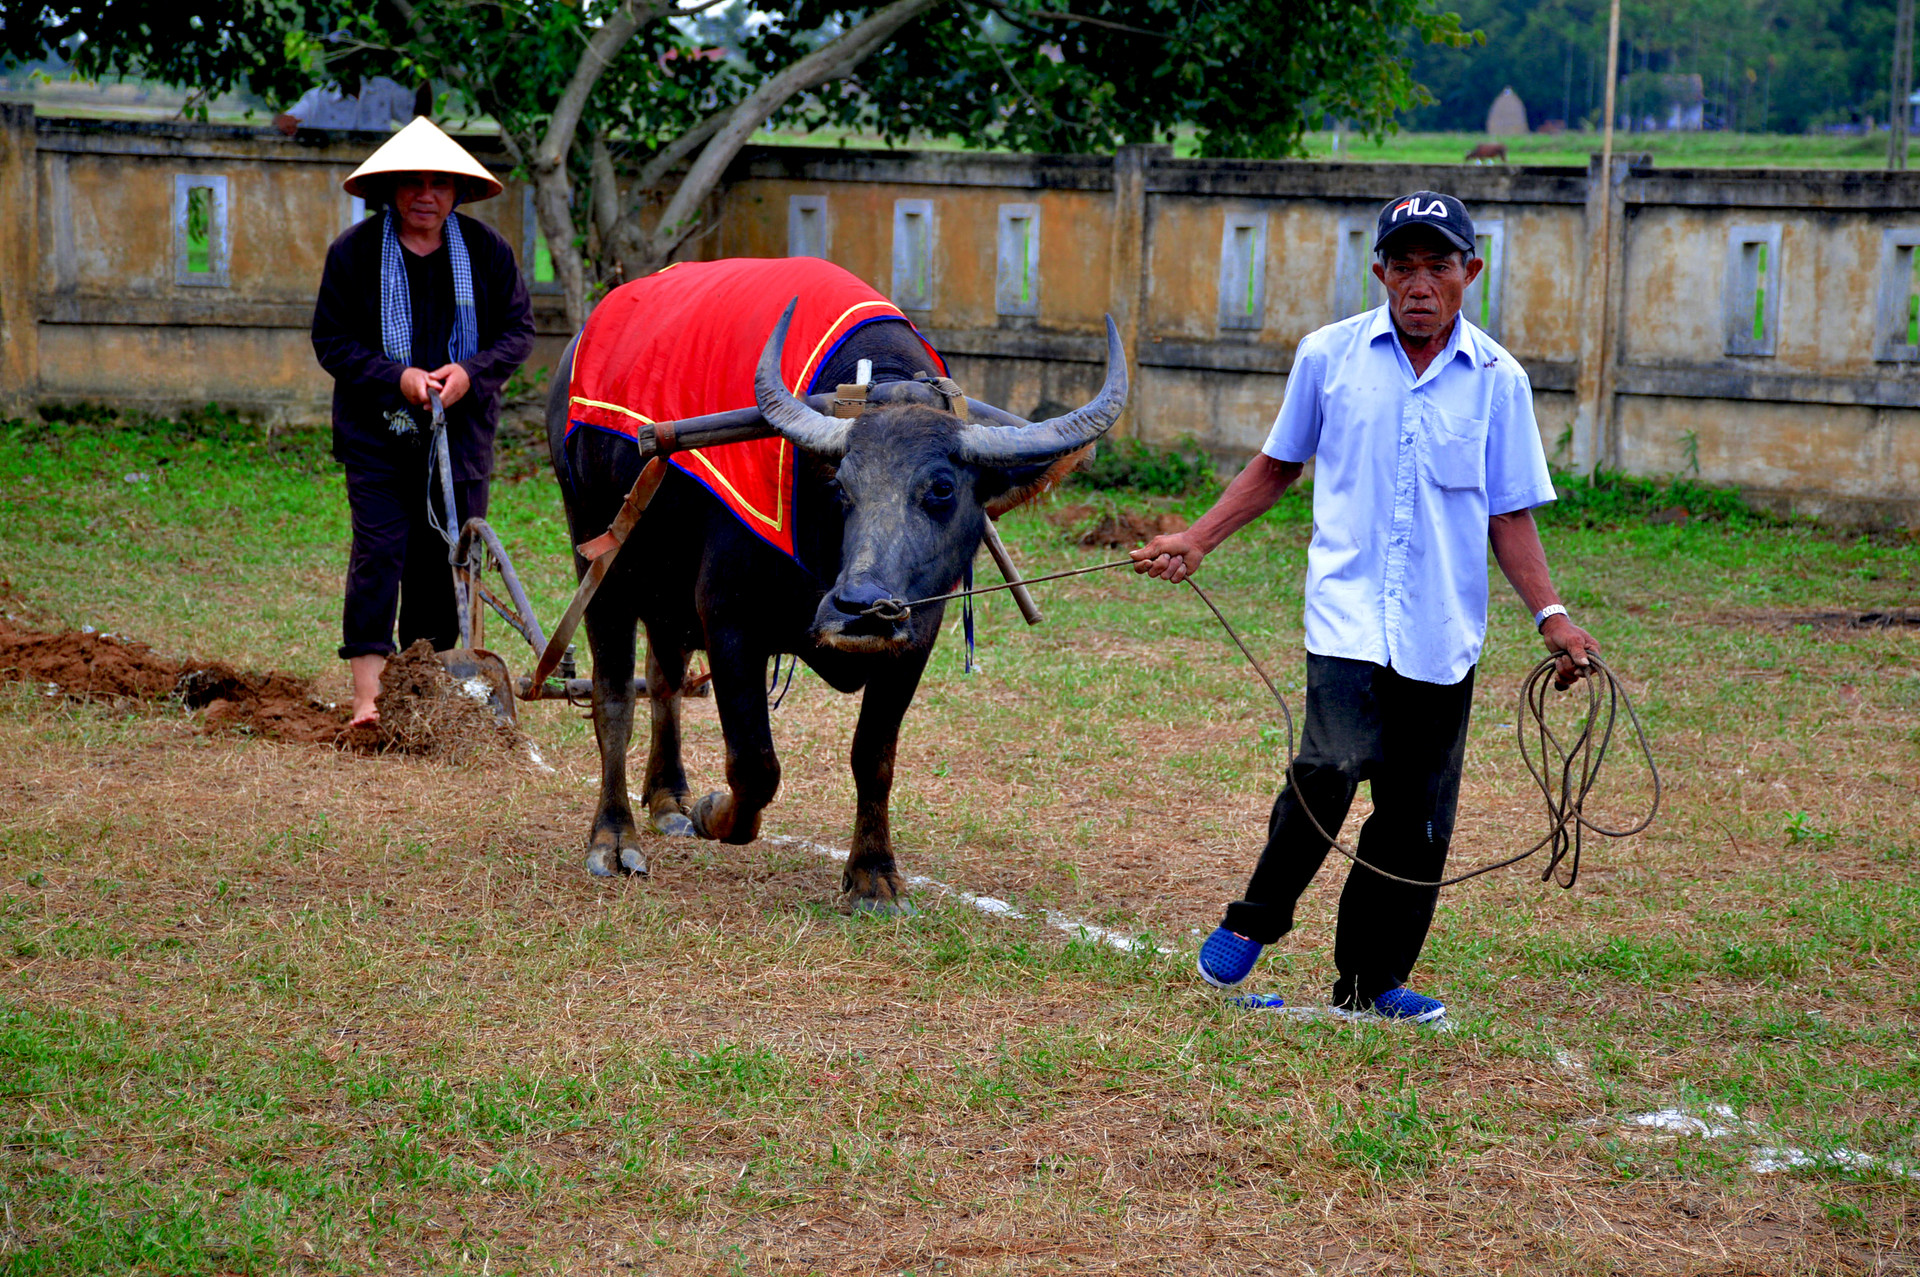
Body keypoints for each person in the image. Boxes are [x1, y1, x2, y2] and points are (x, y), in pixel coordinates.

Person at [1131, 190, 1600, 1025]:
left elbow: (1509, 513)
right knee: (1329, 765)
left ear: (1470, 274)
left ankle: (1371, 982)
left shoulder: (1500, 381)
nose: (1421, 284)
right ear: (1380, 271)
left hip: (1441, 628)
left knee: (1415, 819)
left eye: (1440, 266)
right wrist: (1197, 538)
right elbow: (1277, 466)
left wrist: (1552, 616)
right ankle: (1255, 920)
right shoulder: (1329, 356)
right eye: (1405, 266)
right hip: (1347, 612)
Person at [311, 117, 536, 727]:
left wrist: (468, 371)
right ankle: (368, 697)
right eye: (412, 183)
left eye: (439, 184)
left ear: (457, 193)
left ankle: (430, 688)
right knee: (380, 554)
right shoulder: (353, 254)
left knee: (448, 560)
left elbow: (518, 333)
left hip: (460, 440)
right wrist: (397, 378)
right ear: (390, 189)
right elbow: (331, 341)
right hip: (377, 436)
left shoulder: (488, 253)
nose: (425, 195)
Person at [274, 77, 427, 136]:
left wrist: (427, 75)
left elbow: (418, 115)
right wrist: (283, 122)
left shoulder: (384, 89)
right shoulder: (319, 97)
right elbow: (287, 119)